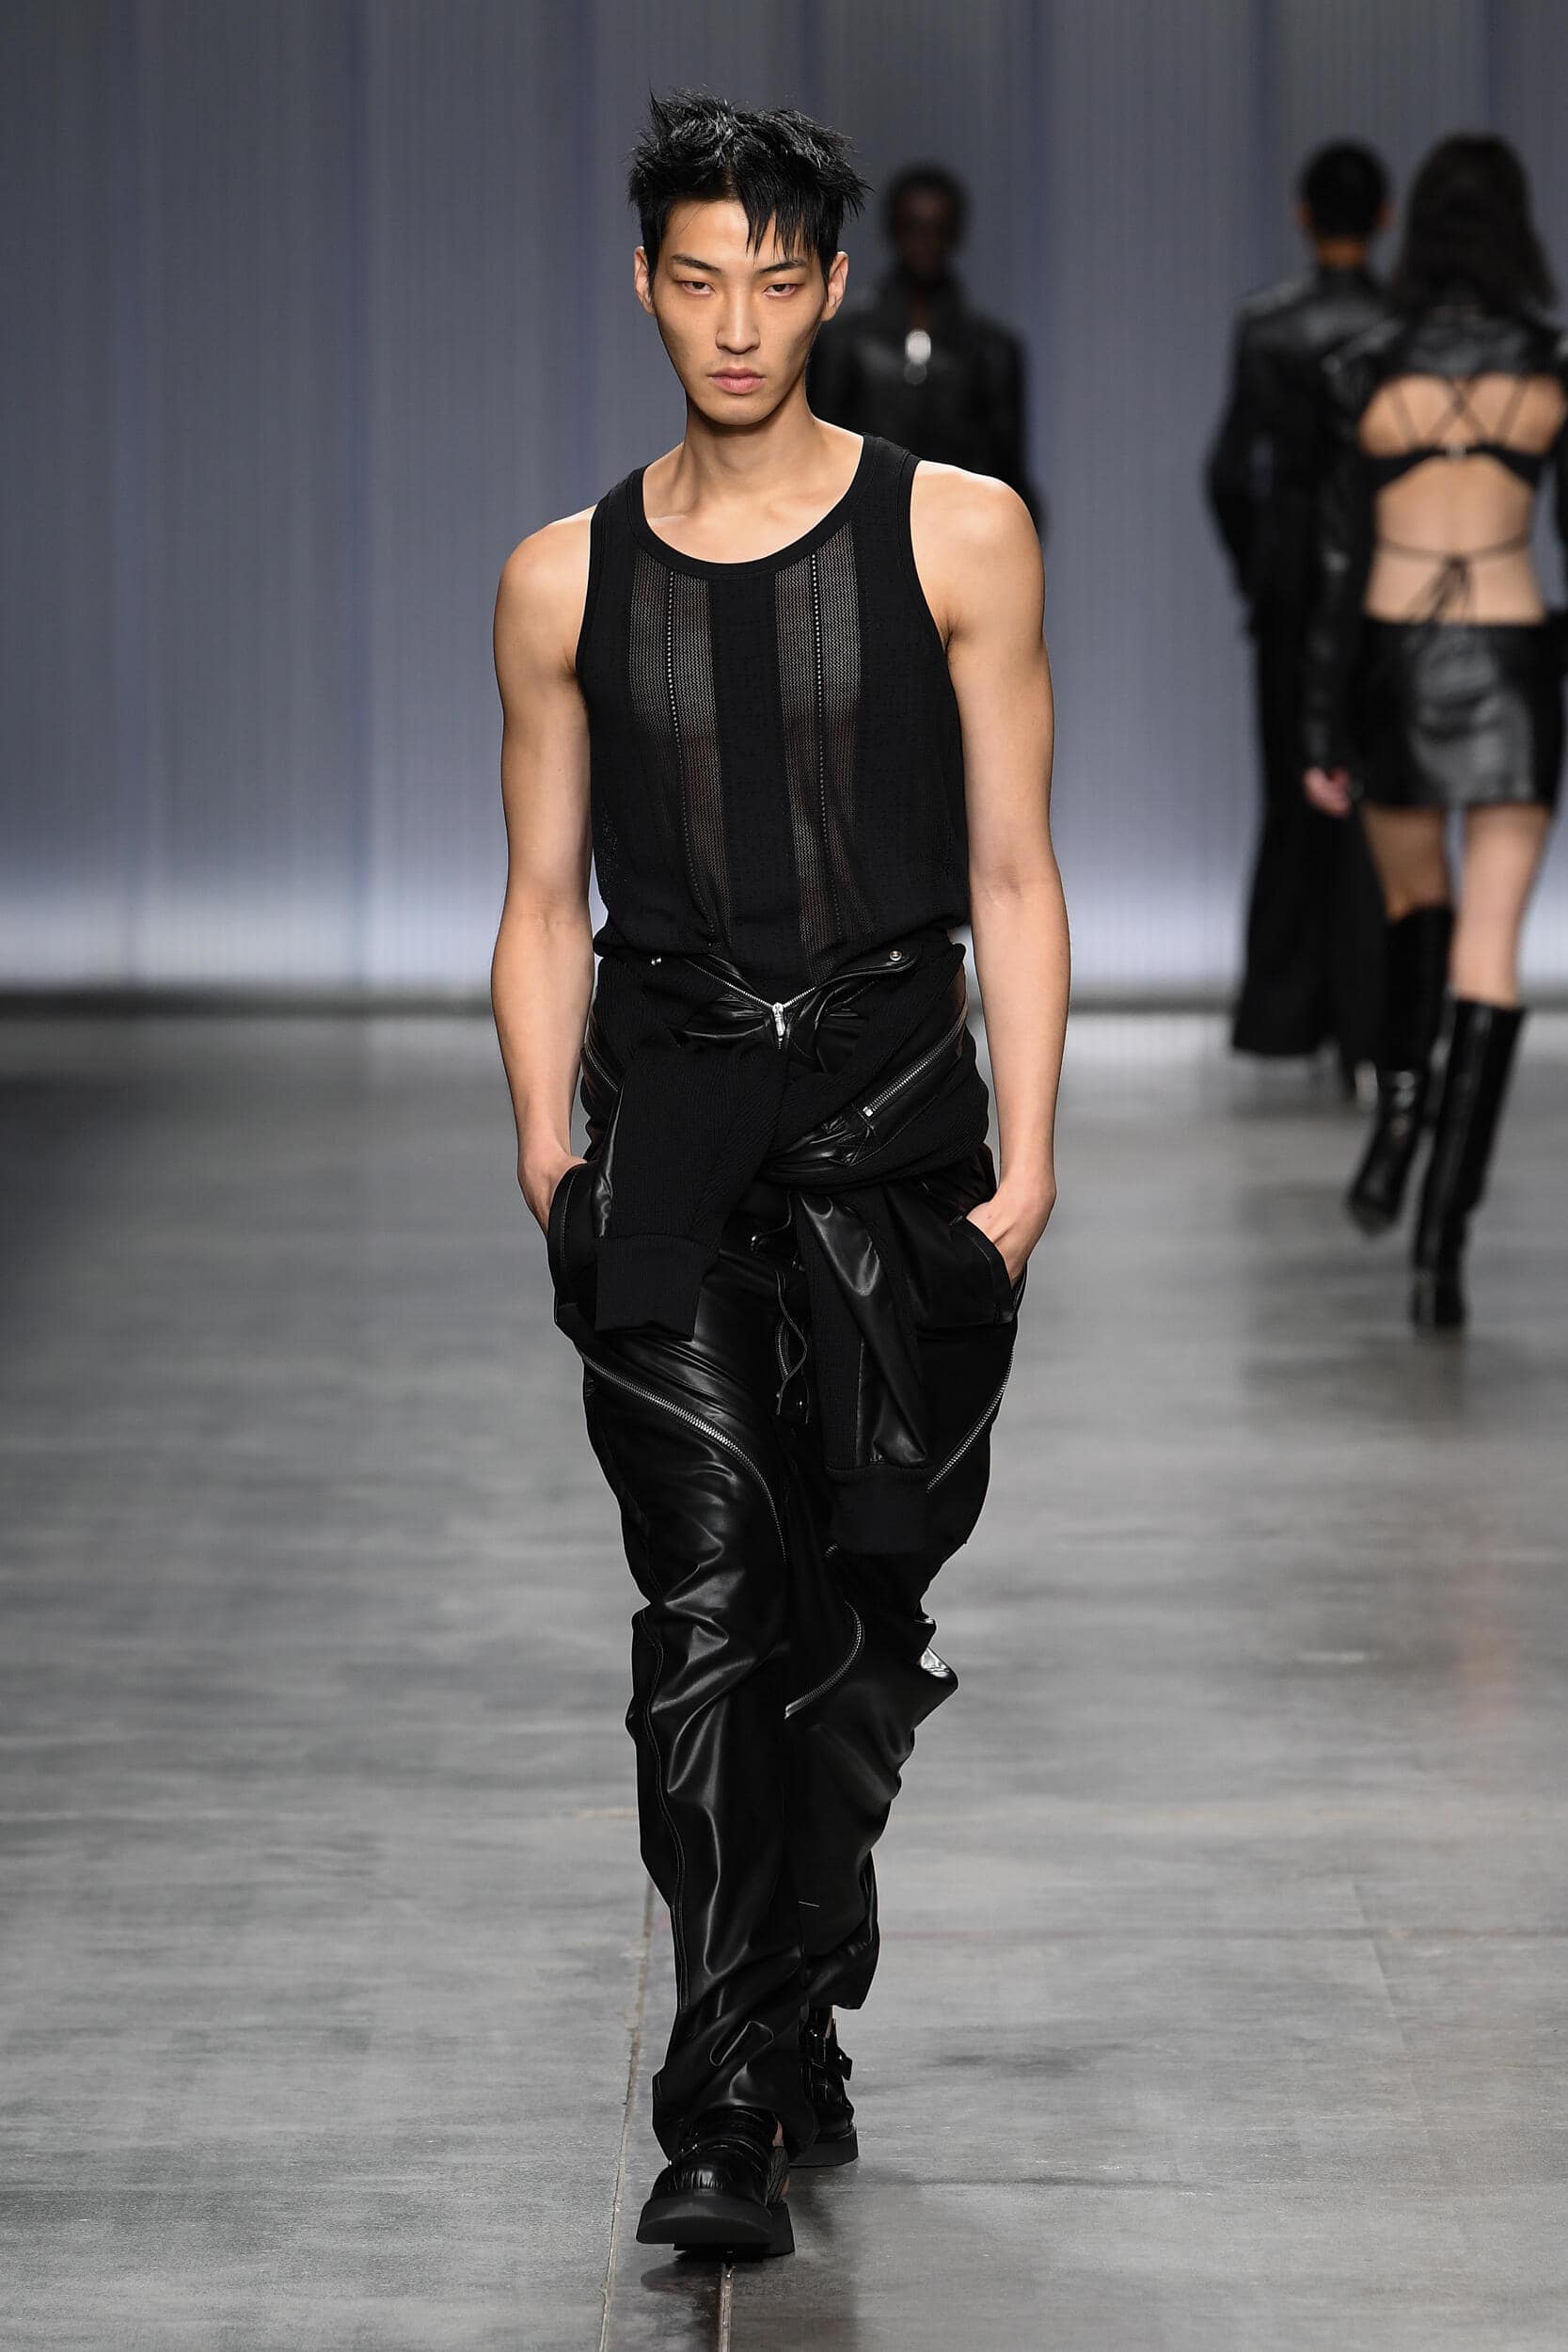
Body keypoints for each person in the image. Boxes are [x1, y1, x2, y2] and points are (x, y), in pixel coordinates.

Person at [490, 91, 1067, 2257]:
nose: (733, 321)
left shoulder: (959, 535)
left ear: (827, 286)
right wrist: (545, 1149)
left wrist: (1029, 1172)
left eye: (772, 277)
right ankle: (721, 2099)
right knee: (713, 1605)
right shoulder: (559, 578)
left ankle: (801, 1972)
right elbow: (538, 897)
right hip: (666, 1138)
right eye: (694, 278)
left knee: (856, 1619)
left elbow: (1012, 865)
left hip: (902, 1138)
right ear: (644, 286)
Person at [1301, 134, 1567, 1330]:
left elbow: (1334, 567)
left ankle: (1399, 1124)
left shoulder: (1363, 370)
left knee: (1416, 909)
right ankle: (1438, 1252)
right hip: (1510, 660)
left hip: (1396, 661)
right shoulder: (1549, 367)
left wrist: (1319, 722)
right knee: (1487, 955)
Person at [1207, 142, 1393, 1078]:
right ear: (1384, 217)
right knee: (1381, 798)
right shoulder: (1403, 327)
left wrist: (1261, 569)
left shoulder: (1267, 327)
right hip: (1389, 584)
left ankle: (1284, 1015)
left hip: (1289, 587)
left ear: (1301, 214)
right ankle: (1377, 1010)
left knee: (1292, 793)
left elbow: (1227, 470)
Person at [809, 162, 1042, 528]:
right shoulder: (843, 343)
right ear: (892, 230)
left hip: (962, 534)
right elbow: (817, 457)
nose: (926, 242)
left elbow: (1008, 471)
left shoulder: (992, 350)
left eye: (939, 229)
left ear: (956, 234)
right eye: (913, 227)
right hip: (863, 532)